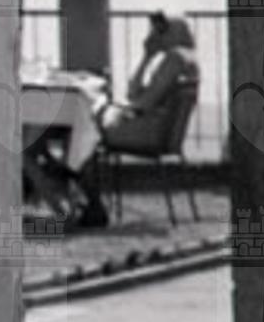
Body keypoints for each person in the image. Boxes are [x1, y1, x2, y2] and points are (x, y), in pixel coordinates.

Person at [77, 13, 199, 221]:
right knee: (91, 126)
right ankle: (89, 203)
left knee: (84, 130)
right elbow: (135, 93)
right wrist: (147, 57)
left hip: (150, 133)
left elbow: (143, 103)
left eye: (160, 30)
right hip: (161, 133)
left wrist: (116, 109)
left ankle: (91, 205)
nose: (155, 35)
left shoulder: (174, 59)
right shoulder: (187, 60)